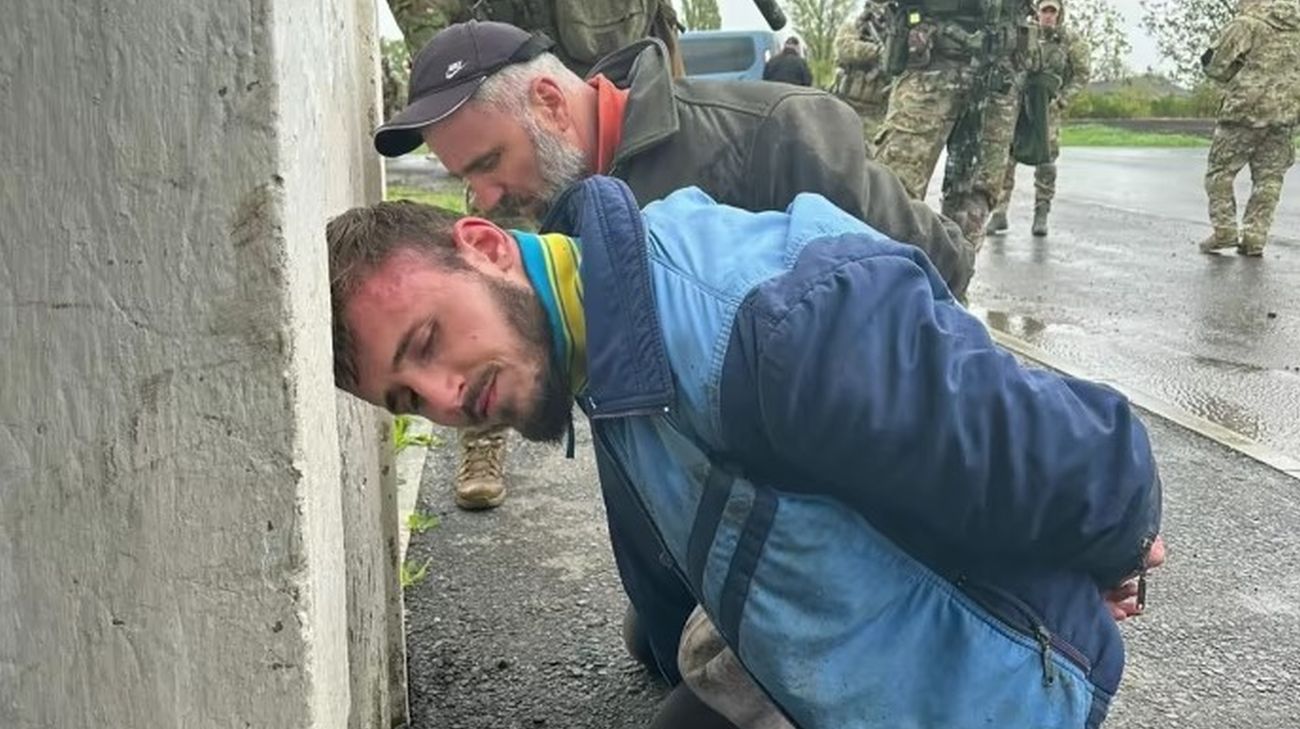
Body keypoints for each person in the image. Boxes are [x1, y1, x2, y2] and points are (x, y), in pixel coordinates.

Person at [326, 176, 1165, 728]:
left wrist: (1118, 545)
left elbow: (1069, 450)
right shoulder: (601, 333)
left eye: (427, 341)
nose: (443, 397)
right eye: (407, 399)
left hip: (998, 684)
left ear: (486, 245)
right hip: (832, 647)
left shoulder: (769, 332)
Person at [372, 20, 977, 511]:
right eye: (466, 178)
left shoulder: (769, 133)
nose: (484, 198)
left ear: (550, 103)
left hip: (855, 492)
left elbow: (937, 266)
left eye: (489, 163)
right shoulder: (557, 216)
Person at [874, 0, 1035, 249]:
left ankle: (956, 271)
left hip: (998, 70)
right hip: (931, 63)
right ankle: (886, 268)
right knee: (895, 188)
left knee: (977, 193)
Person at [1198, 0, 1300, 257]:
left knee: (1220, 173)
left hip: (1244, 113)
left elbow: (1215, 66)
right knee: (1269, 179)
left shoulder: (1246, 24)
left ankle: (1224, 231)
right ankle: (1255, 237)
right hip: (1285, 115)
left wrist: (1236, 72)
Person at [987, 0, 1090, 237]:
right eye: (1045, 11)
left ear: (1059, 14)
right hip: (1019, 102)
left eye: (1053, 11)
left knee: (1046, 159)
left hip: (1047, 106)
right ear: (1037, 12)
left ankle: (1041, 213)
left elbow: (1082, 75)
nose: (1049, 16)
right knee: (1007, 156)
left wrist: (1062, 100)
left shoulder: (1070, 40)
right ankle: (999, 213)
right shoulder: (1025, 34)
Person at [831, 3, 893, 156]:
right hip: (848, 106)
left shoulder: (895, 32)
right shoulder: (854, 25)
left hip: (878, 114)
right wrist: (877, 52)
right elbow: (844, 48)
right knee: (840, 154)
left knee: (872, 160)